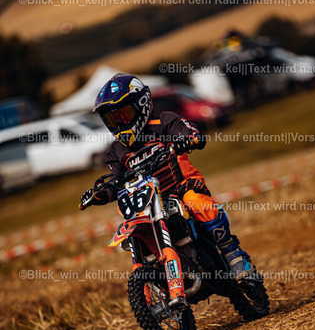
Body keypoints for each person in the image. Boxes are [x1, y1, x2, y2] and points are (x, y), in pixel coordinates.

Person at [80, 72, 255, 280]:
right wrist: (101, 193)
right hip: (146, 204)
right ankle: (156, 275)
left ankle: (232, 253)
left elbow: (192, 134)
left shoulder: (165, 121)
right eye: (112, 119)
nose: (118, 124)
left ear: (141, 105)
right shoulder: (115, 150)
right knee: (136, 230)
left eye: (123, 115)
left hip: (182, 186)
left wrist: (189, 139)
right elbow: (115, 181)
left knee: (198, 204)